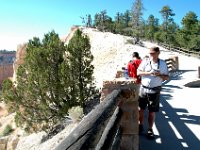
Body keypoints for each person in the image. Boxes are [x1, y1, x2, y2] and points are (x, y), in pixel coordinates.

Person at [137, 46, 169, 139]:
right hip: (143, 89)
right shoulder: (145, 61)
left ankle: (150, 129)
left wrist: (160, 75)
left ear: (158, 53)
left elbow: (167, 77)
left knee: (152, 111)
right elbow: (138, 72)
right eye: (150, 53)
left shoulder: (162, 63)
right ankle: (140, 124)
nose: (151, 55)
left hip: (155, 90)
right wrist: (149, 73)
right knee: (140, 109)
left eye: (153, 53)